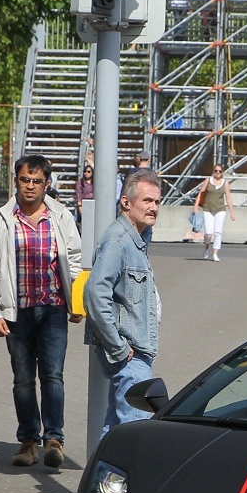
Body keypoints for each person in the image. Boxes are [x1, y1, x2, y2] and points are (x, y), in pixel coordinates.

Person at [0, 155, 82, 469]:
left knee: (53, 376)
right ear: (16, 181)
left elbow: (74, 262)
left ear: (47, 184)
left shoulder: (61, 217)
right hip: (16, 310)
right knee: (23, 380)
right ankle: (28, 441)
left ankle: (53, 440)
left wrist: (77, 301)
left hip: (53, 309)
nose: (31, 186)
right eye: (25, 180)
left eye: (37, 181)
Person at [84, 168, 162, 435]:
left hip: (136, 351)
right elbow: (94, 293)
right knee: (134, 431)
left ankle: (101, 476)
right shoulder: (118, 241)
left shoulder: (136, 238)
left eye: (157, 202)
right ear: (126, 203)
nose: (153, 207)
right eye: (147, 201)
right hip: (130, 353)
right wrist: (117, 346)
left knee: (117, 428)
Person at [192, 163, 235, 262]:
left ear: (222, 172)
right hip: (207, 208)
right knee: (208, 232)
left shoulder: (225, 183)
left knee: (218, 232)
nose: (217, 173)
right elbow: (201, 193)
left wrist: (232, 212)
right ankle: (207, 247)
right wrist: (195, 206)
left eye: (220, 171)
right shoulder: (208, 180)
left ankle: (215, 253)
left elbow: (228, 199)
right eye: (216, 171)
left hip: (220, 209)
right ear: (213, 171)